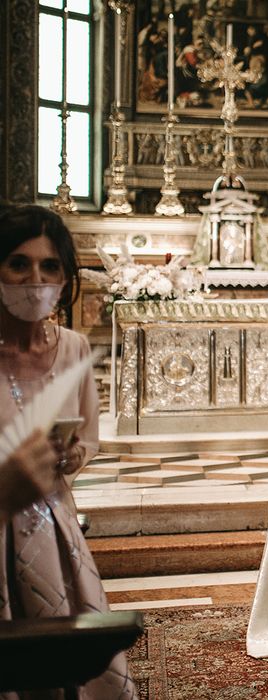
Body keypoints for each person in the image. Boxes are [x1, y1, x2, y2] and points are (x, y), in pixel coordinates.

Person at [0, 204, 136, 699]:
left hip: (55, 529)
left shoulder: (75, 347)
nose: (34, 279)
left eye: (49, 265)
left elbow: (88, 440)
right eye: (19, 263)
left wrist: (72, 456)